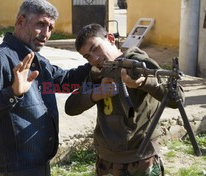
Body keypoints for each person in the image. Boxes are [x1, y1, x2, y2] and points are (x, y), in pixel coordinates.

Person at [0, 0, 91, 175]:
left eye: (50, 28)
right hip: (15, 170)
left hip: (40, 165)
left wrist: (100, 61)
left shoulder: (40, 62)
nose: (46, 33)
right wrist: (12, 93)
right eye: (41, 24)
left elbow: (66, 82)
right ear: (20, 21)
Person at [65, 23, 184, 176]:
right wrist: (97, 93)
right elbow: (70, 107)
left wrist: (144, 83)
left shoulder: (139, 62)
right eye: (88, 56)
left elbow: (177, 99)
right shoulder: (96, 72)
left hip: (141, 160)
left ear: (110, 39)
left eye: (95, 48)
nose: (94, 58)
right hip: (106, 161)